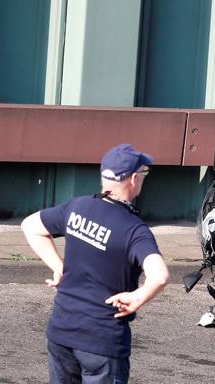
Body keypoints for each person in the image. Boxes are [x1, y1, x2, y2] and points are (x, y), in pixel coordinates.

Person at [21, 144, 170, 383]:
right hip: (102, 342)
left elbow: (30, 226)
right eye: (144, 174)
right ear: (133, 179)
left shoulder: (76, 207)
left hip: (61, 332)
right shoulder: (134, 230)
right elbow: (160, 276)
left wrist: (58, 267)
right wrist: (138, 298)